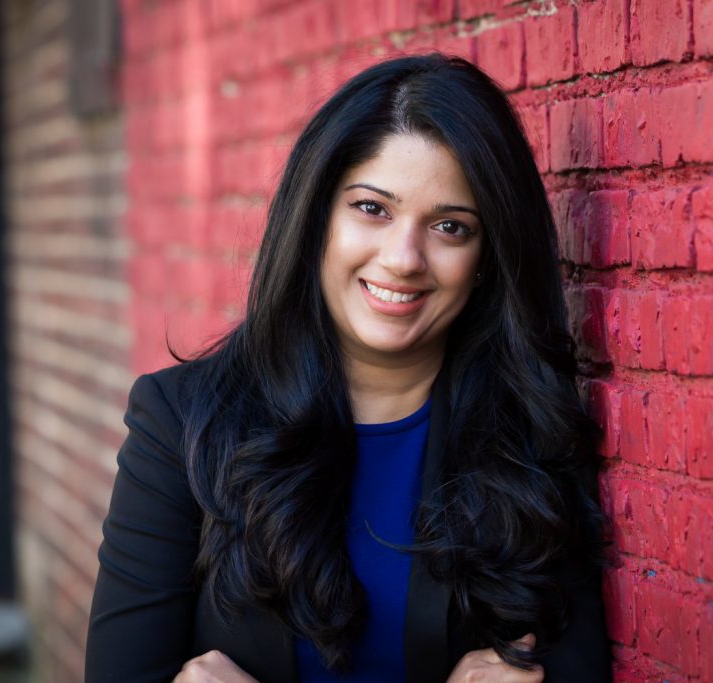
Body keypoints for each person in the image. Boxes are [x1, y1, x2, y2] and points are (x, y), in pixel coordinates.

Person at [85, 53, 612, 683]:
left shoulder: (532, 437)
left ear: (486, 258)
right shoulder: (181, 425)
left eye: (450, 226)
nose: (404, 258)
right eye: (372, 209)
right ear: (317, 220)